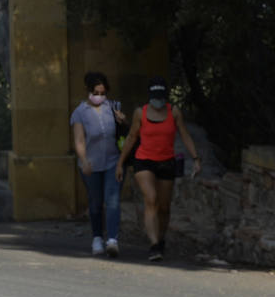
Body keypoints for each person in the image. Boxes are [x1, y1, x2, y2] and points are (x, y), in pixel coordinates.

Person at [116, 76, 202, 261]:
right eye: (155, 96)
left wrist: (195, 158)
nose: (158, 100)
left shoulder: (175, 112)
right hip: (143, 160)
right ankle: (154, 244)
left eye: (161, 96)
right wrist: (121, 162)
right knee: (151, 199)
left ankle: (161, 240)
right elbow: (131, 137)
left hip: (166, 161)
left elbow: (184, 135)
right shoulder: (141, 112)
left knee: (164, 207)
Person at [69, 71, 127, 258]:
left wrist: (122, 121)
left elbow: (124, 134)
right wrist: (84, 161)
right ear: (88, 90)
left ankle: (112, 239)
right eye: (96, 92)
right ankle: (96, 237)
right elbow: (79, 140)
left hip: (112, 162)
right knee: (95, 202)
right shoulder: (80, 113)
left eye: (103, 93)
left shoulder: (113, 107)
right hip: (91, 164)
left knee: (112, 200)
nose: (99, 96)